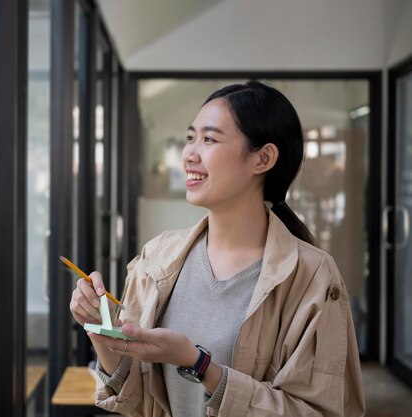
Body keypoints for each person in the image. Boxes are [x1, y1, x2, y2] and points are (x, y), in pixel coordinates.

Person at [69, 81, 365, 417]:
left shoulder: (312, 277)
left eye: (209, 139)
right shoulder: (158, 257)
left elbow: (319, 411)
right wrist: (100, 330)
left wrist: (199, 365)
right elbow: (136, 397)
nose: (189, 154)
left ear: (263, 158)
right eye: (190, 137)